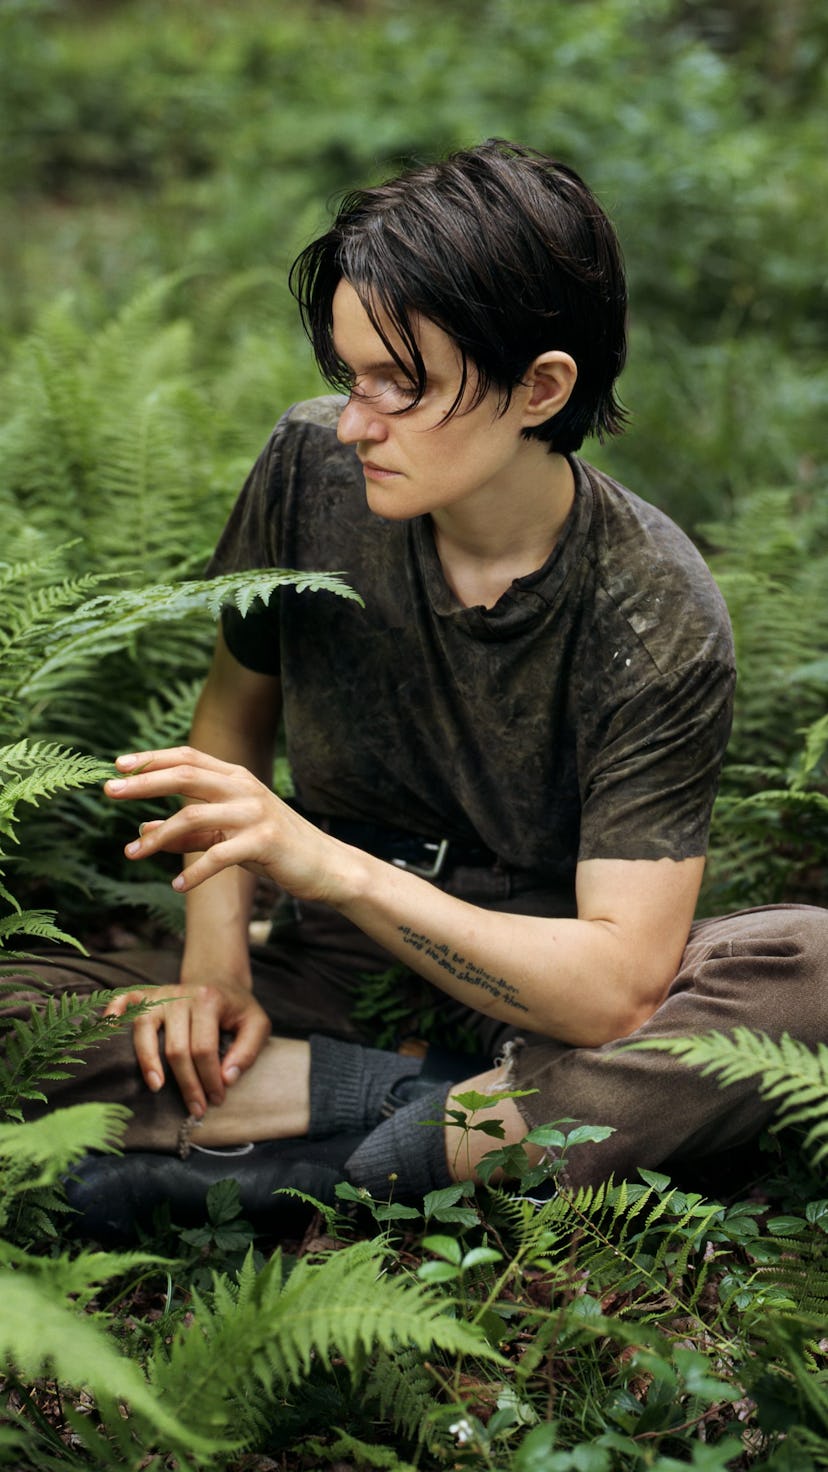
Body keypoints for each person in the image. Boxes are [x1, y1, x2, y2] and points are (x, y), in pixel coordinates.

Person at [14, 140, 828, 1230]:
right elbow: (228, 733)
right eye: (350, 376)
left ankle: (317, 1171)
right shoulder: (309, 471)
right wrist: (216, 970)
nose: (357, 420)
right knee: (21, 1011)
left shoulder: (654, 605)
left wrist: (327, 863)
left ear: (541, 387)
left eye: (404, 385)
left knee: (808, 972)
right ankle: (433, 1116)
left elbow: (615, 987)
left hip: (547, 988)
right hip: (339, 970)